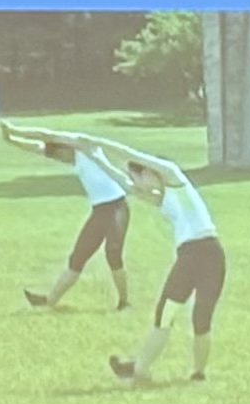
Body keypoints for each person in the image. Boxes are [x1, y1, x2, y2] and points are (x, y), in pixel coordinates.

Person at [85, 135, 228, 387]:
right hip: (189, 256)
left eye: (139, 177)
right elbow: (125, 183)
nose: (138, 184)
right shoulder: (161, 199)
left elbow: (130, 153)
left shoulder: (174, 178)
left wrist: (97, 142)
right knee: (165, 315)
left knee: (201, 316)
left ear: (151, 172)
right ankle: (139, 369)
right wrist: (97, 157)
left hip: (209, 254)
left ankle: (197, 373)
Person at [12, 122, 132, 312]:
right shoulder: (73, 159)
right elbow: (37, 147)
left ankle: (124, 302)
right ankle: (49, 301)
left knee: (113, 252)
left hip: (117, 206)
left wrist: (15, 129)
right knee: (78, 257)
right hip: (100, 211)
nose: (62, 159)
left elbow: (46, 134)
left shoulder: (85, 146)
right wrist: (11, 139)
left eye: (61, 155)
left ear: (66, 148)